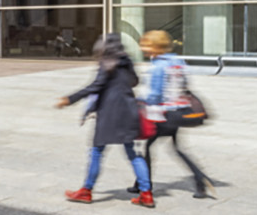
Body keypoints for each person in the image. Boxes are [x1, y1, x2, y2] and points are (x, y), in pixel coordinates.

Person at [55, 33, 153, 207]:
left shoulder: (107, 62)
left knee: (97, 152)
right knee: (133, 154)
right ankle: (146, 194)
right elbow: (135, 81)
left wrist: (70, 99)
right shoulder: (127, 61)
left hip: (109, 114)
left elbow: (95, 86)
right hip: (129, 111)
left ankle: (86, 191)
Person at [134, 30, 215, 200]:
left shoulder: (158, 66)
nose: (143, 48)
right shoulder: (178, 62)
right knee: (177, 149)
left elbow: (155, 95)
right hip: (179, 112)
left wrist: (139, 101)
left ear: (156, 46)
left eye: (146, 45)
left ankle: (144, 186)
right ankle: (200, 180)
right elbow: (185, 85)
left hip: (164, 115)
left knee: (147, 148)